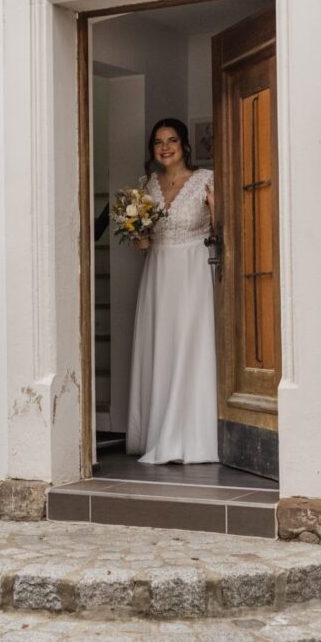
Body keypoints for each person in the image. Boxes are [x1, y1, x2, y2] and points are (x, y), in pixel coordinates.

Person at [125, 118, 218, 464]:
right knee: (161, 344)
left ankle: (193, 434)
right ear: (152, 150)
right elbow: (143, 242)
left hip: (194, 269)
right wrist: (139, 236)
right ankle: (158, 430)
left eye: (172, 140)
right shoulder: (144, 186)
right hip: (159, 272)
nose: (165, 147)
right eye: (158, 142)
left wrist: (216, 209)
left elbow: (222, 227)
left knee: (191, 345)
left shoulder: (206, 180)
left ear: (185, 146)